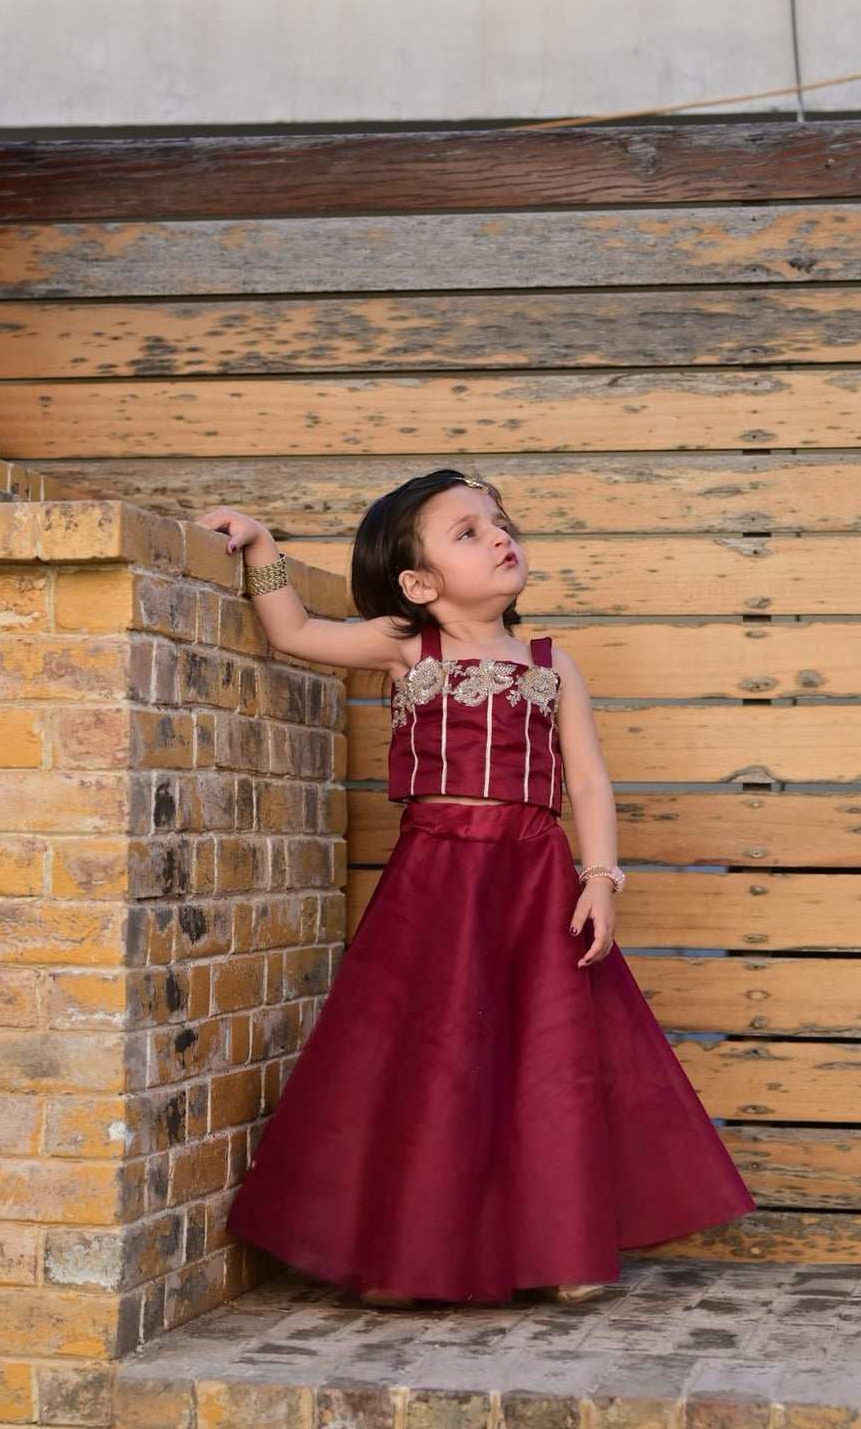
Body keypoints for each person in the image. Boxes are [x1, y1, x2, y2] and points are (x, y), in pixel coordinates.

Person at [196, 468, 756, 1308]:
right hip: (434, 882)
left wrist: (600, 877)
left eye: (500, 523)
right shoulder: (406, 647)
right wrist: (262, 547)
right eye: (468, 531)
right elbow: (295, 630)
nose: (500, 536)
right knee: (429, 1058)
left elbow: (588, 780)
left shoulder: (551, 665)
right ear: (419, 584)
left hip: (534, 880)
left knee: (547, 1061)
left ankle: (563, 1248)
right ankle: (403, 1256)